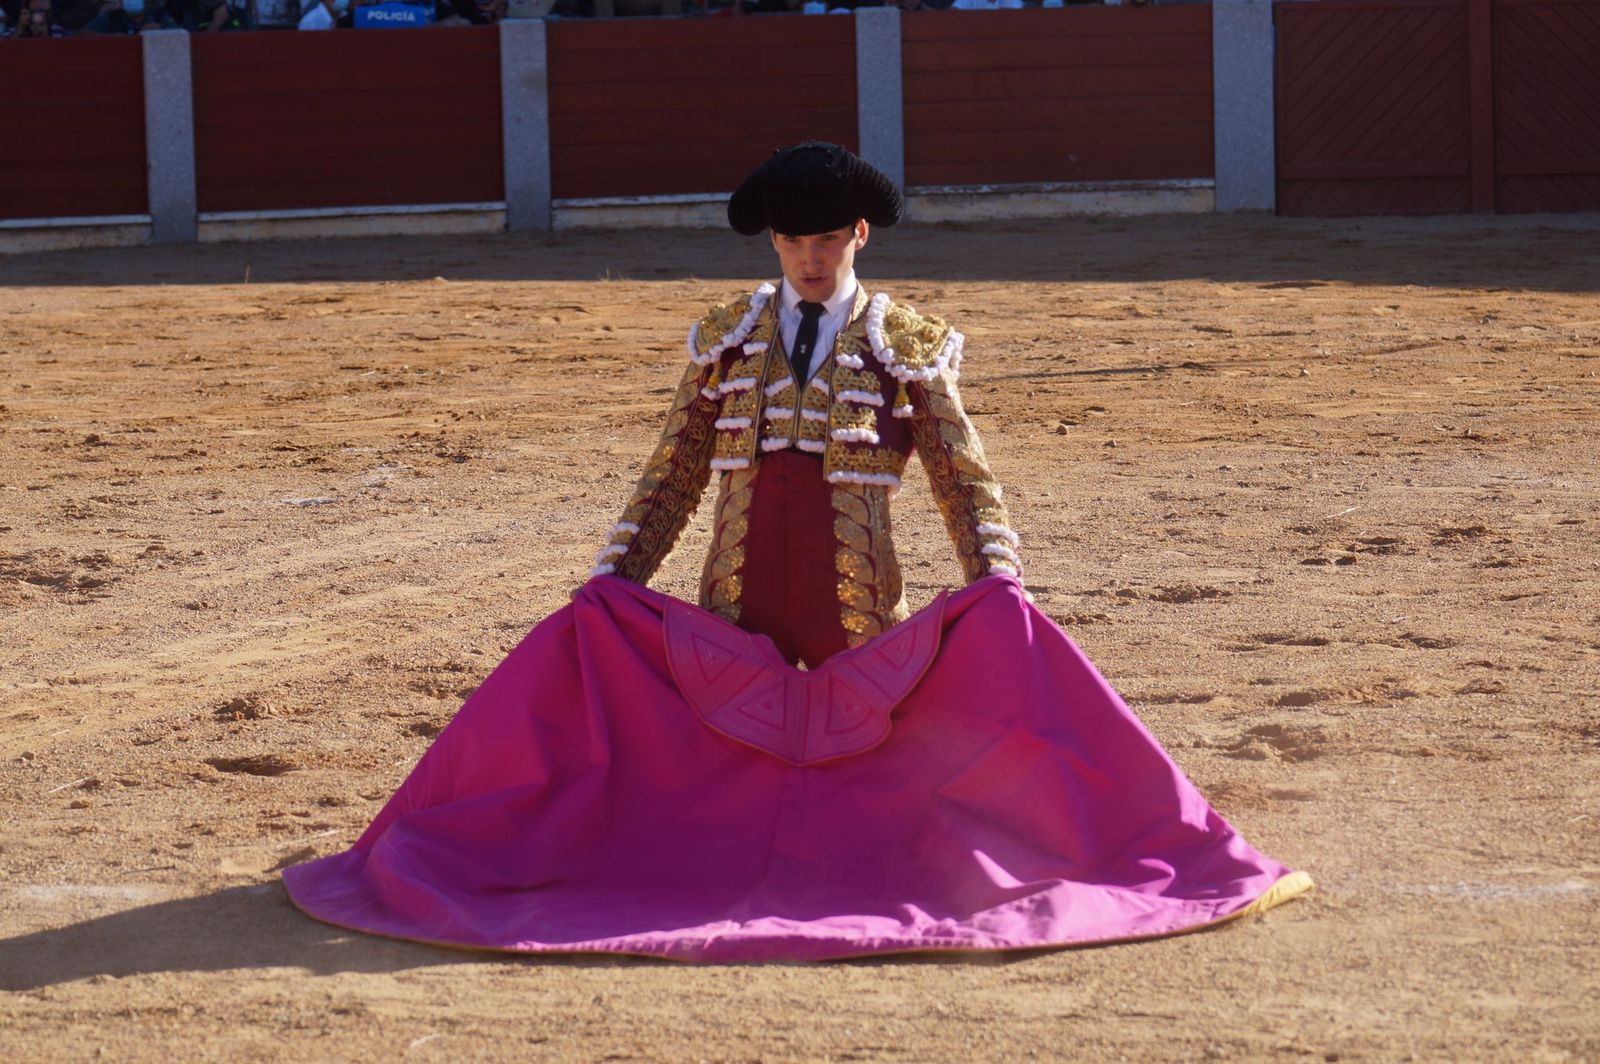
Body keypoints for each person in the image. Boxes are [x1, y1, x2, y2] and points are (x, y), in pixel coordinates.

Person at [284, 142, 1311, 962]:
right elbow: (678, 468)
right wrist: (612, 581)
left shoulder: (908, 338)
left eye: (824, 239)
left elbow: (959, 471)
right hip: (734, 591)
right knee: (726, 760)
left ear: (859, 233)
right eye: (789, 242)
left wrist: (996, 575)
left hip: (853, 597)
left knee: (862, 754)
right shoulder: (726, 335)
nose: (807, 259)